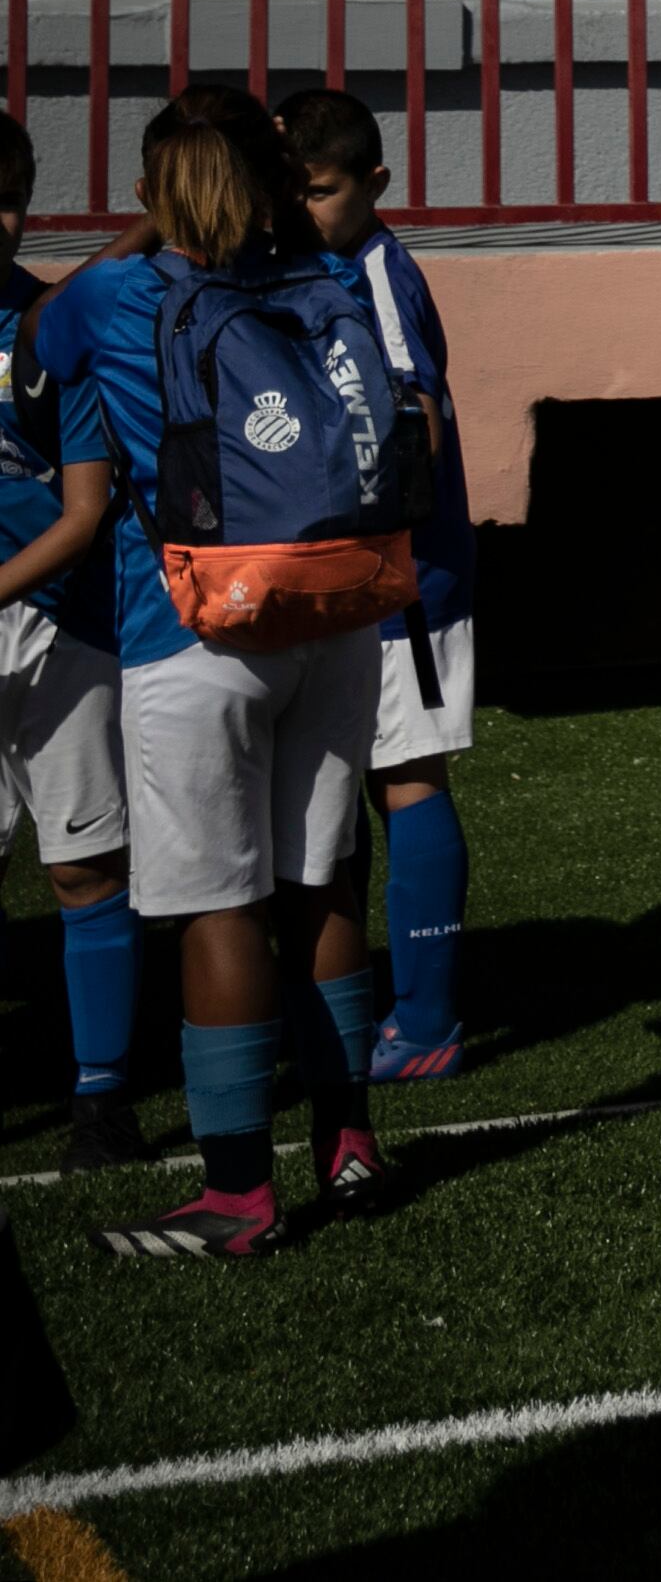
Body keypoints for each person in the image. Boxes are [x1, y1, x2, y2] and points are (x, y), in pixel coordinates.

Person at [43, 95, 412, 1262]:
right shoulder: (324, 278)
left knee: (217, 904)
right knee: (324, 881)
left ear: (157, 189)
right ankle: (348, 1139)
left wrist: (145, 228)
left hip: (193, 634)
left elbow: (45, 336)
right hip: (338, 607)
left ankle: (239, 1196)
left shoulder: (119, 292)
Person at [272, 93, 482, 1083]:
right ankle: (345, 1005)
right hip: (337, 579)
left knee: (410, 775)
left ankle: (430, 1018)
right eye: (294, 190)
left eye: (321, 191)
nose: (304, 208)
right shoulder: (306, 263)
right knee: (329, 790)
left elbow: (416, 429)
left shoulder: (379, 274)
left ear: (375, 186)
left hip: (406, 582)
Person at [0, 106, 141, 1168]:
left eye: (17, 191)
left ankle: (102, 1098)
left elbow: (84, 512)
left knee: (84, 867)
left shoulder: (55, 330)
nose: (7, 216)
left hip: (60, 624)